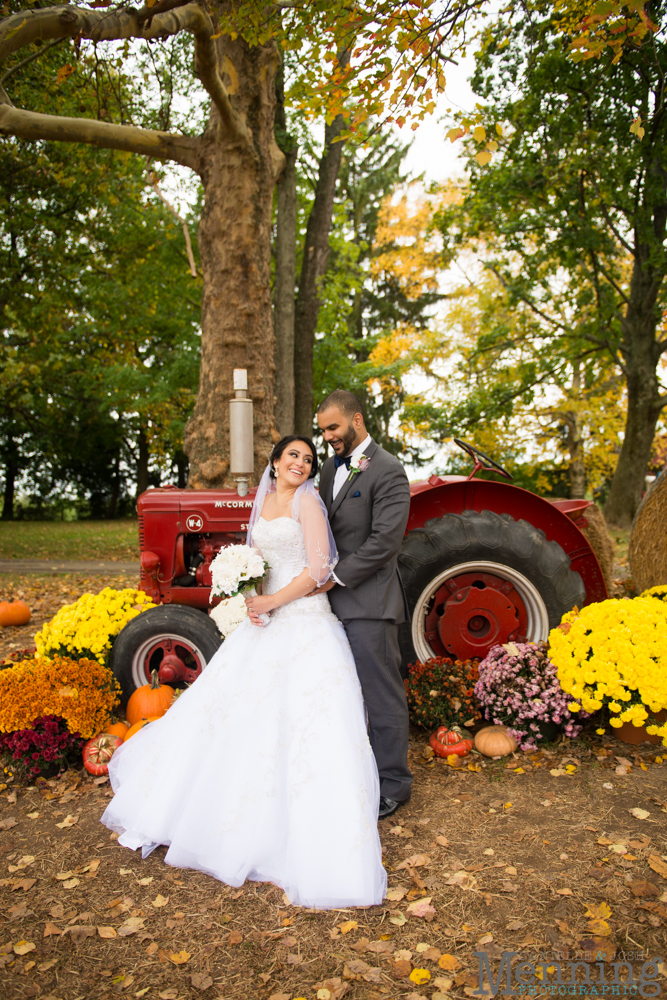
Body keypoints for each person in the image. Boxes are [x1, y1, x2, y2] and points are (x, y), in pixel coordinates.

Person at [101, 435, 386, 909]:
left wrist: (272, 600)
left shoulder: (308, 504)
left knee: (306, 725)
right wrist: (247, 594)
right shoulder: (266, 502)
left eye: (308, 459)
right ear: (275, 462)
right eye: (293, 455)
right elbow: (259, 563)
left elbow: (318, 570)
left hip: (303, 622)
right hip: (264, 621)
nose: (301, 463)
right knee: (236, 717)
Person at [314, 390, 413, 820]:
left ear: (356, 420)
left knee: (381, 694)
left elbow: (385, 542)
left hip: (369, 603)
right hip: (324, 607)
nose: (328, 437)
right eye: (322, 431)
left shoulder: (388, 470)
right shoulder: (328, 469)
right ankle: (352, 776)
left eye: (333, 428)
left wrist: (334, 577)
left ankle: (394, 785)